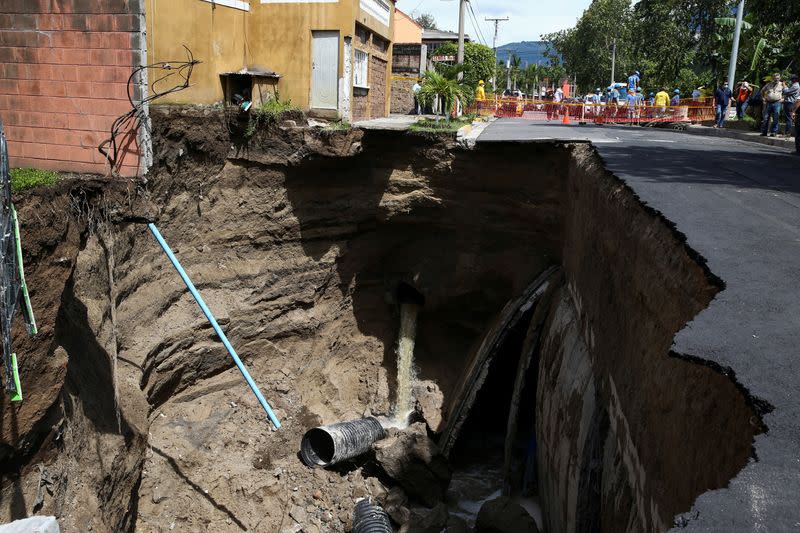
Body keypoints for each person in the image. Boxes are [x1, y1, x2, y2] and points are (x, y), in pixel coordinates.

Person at [760, 72, 785, 137]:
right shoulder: (768, 84)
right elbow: (762, 91)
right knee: (766, 118)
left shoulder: (782, 84)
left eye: (778, 78)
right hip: (768, 103)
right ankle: (764, 132)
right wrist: (763, 98)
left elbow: (787, 92)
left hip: (777, 103)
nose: (776, 79)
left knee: (776, 118)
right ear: (773, 78)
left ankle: (774, 132)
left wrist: (783, 99)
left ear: (779, 78)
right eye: (775, 78)